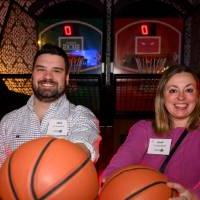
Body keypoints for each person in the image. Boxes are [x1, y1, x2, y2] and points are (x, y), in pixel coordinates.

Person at [101, 65, 200, 200]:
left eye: (189, 90)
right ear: (162, 97)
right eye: (173, 90)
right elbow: (118, 165)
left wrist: (194, 196)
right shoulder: (143, 130)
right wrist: (111, 182)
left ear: (197, 96)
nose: (181, 97)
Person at [0, 43, 101, 167]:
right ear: (32, 75)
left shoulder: (81, 116)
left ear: (67, 78)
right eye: (41, 69)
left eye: (56, 71)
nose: (48, 76)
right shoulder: (8, 122)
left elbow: (84, 145)